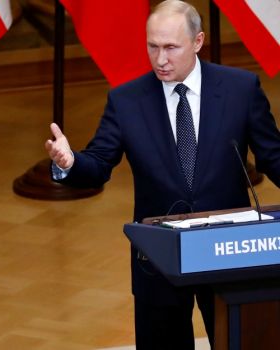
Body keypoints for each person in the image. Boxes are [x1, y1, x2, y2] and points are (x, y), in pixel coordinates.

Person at [45, 0, 280, 349]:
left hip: (229, 253)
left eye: (171, 47)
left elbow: (273, 156)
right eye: (152, 46)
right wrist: (69, 163)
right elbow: (98, 164)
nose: (160, 59)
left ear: (197, 42)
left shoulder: (240, 89)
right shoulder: (127, 100)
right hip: (160, 257)